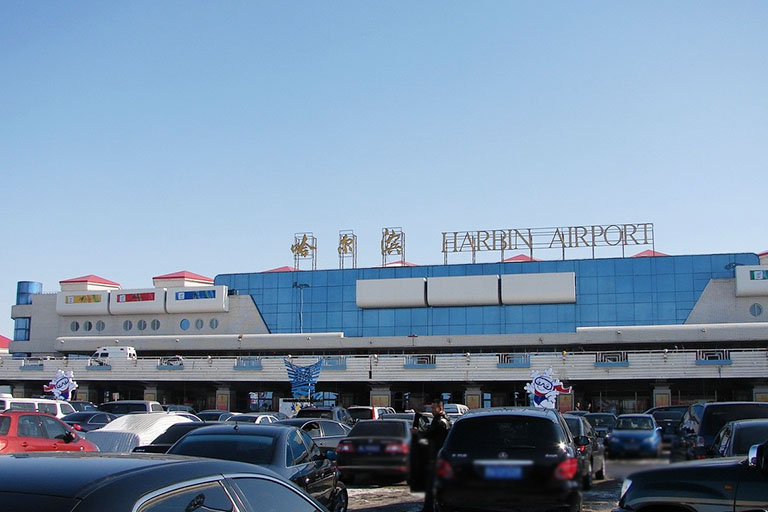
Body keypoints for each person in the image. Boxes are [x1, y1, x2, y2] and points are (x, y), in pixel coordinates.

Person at [420, 400, 450, 512]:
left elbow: (429, 434)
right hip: (439, 455)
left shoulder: (439, 422)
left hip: (437, 455)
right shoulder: (444, 419)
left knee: (431, 484)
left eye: (433, 408)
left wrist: (419, 433)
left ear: (440, 408)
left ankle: (429, 508)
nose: (431, 411)